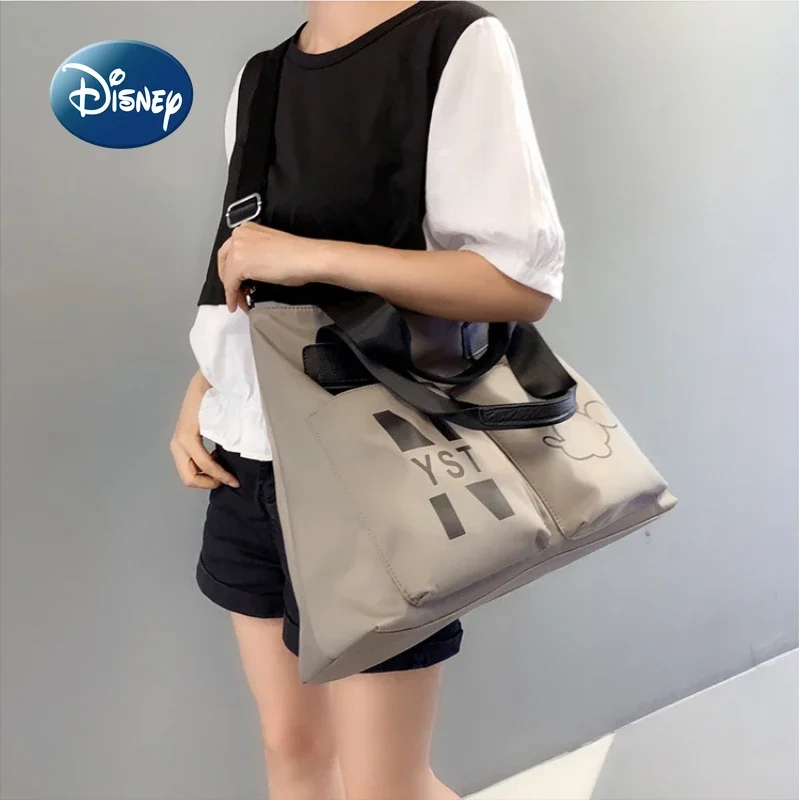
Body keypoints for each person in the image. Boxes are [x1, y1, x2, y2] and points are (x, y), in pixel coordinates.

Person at [170, 2, 565, 798]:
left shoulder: (453, 42)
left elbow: (518, 282)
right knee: (291, 747)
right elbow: (245, 271)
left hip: (376, 466)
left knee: (387, 785)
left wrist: (314, 256)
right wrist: (203, 389)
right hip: (249, 460)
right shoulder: (261, 78)